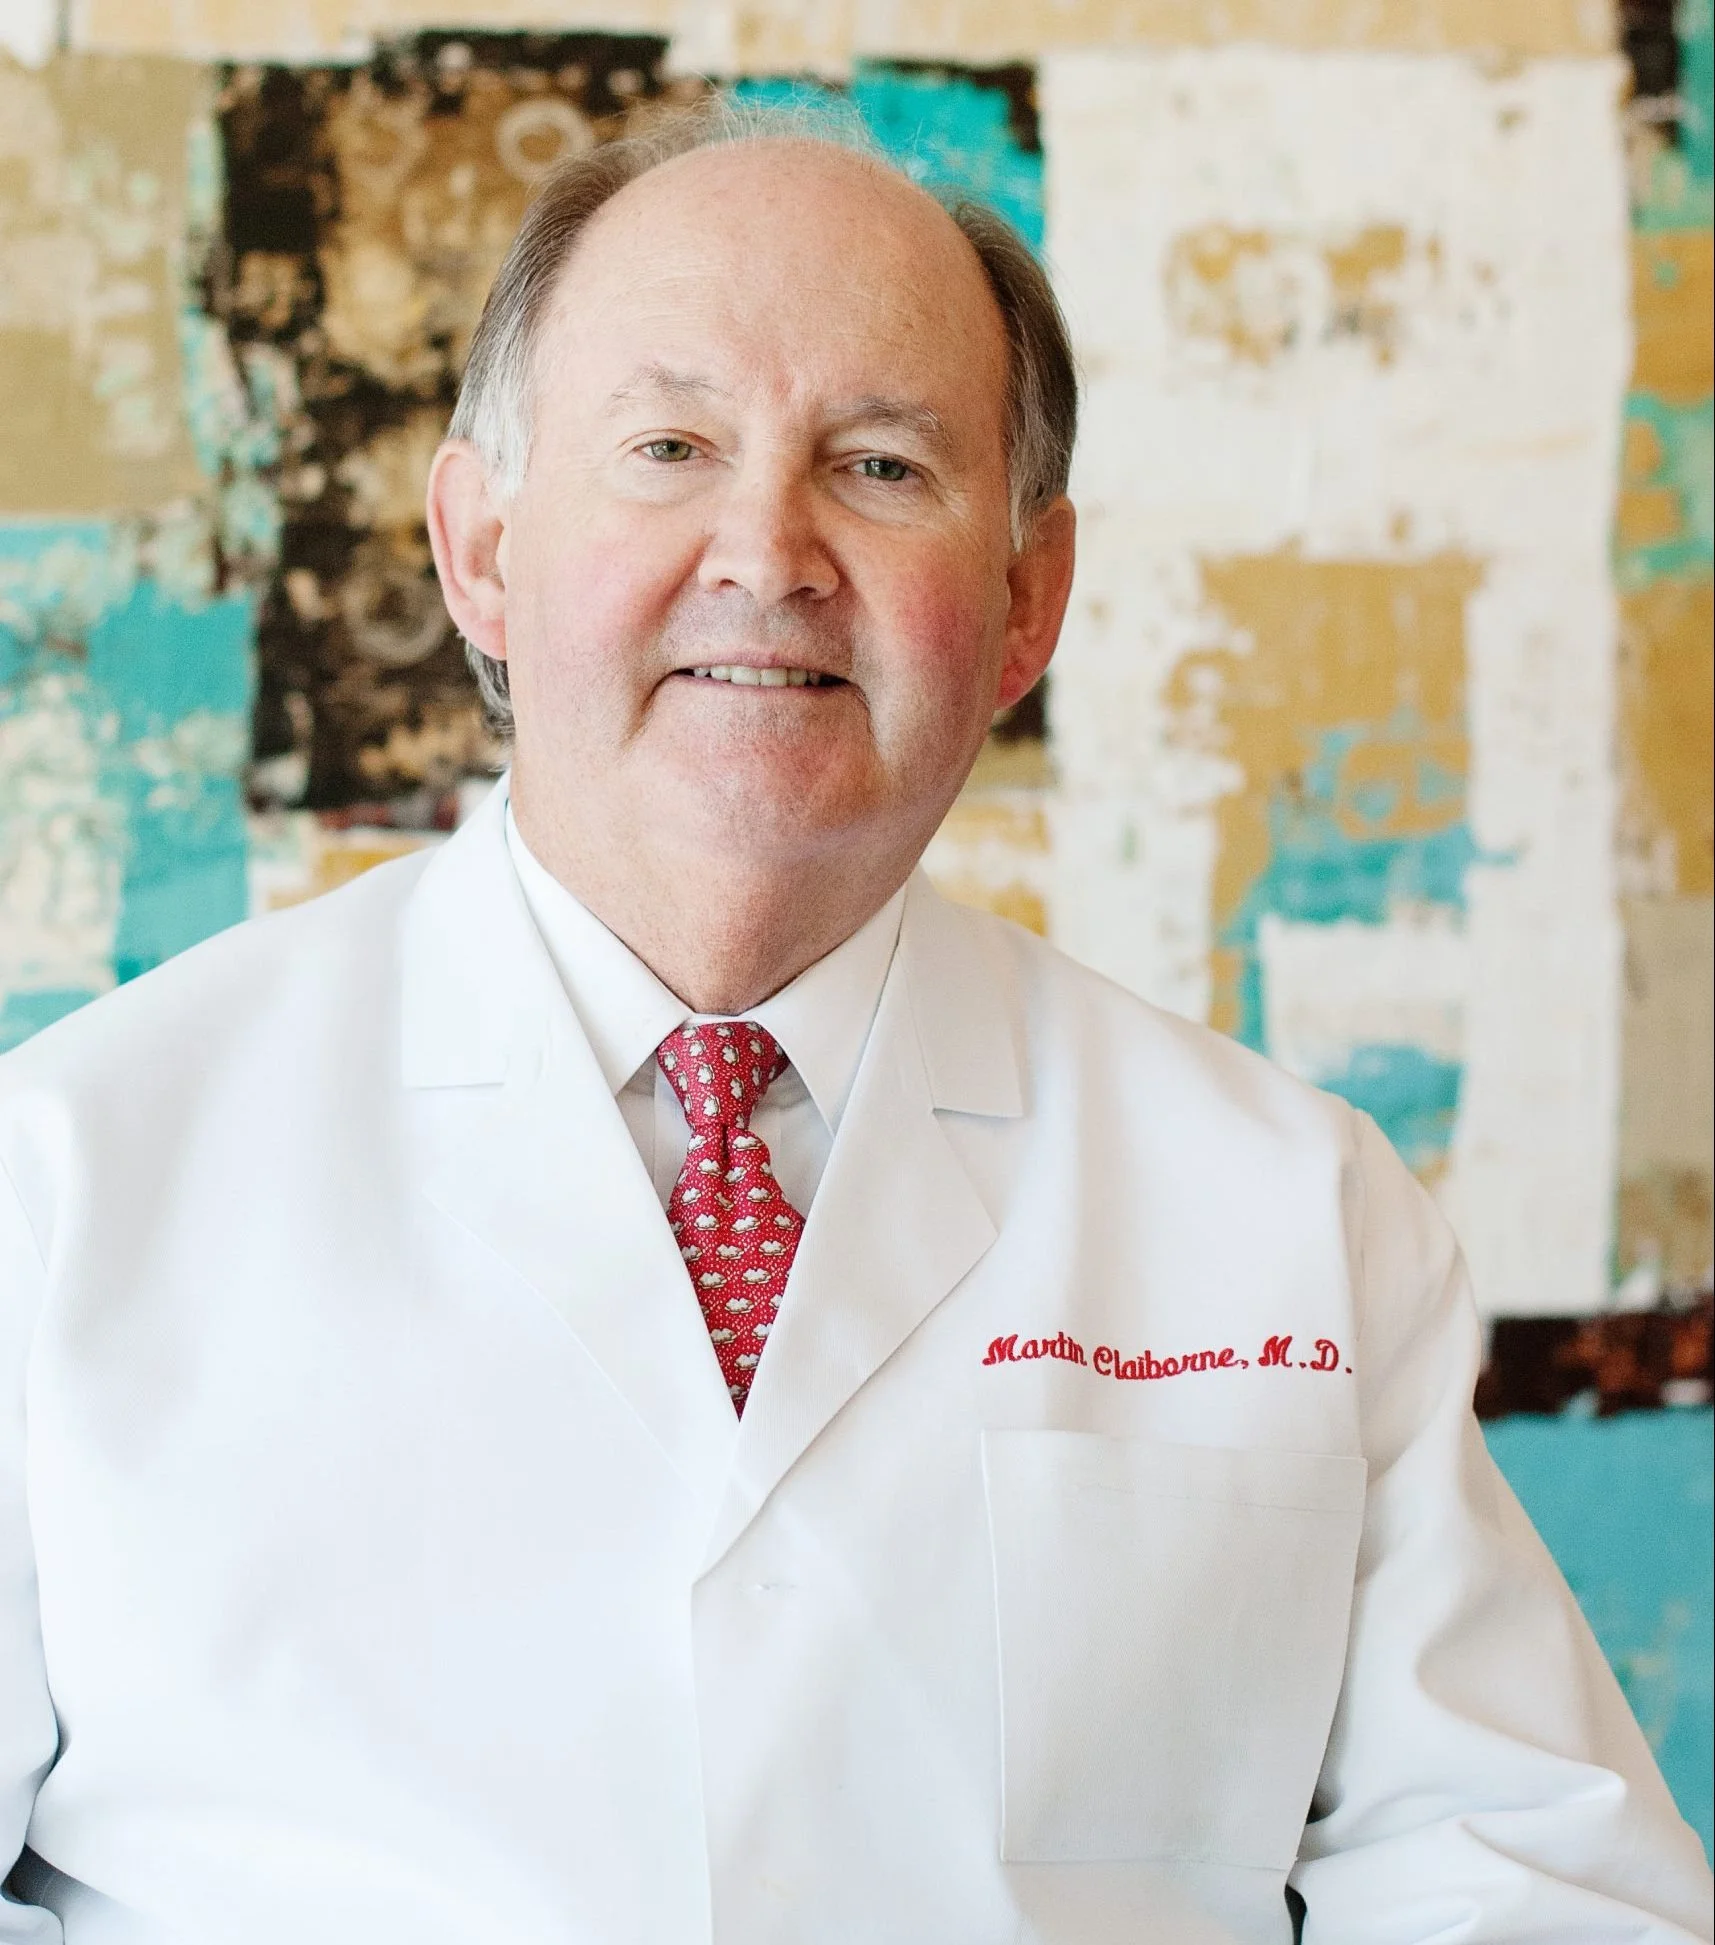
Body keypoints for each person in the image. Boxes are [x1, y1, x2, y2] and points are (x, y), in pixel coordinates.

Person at [0, 105, 1708, 1945]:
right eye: (669, 447)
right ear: (481, 548)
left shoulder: (1292, 1209)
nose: (769, 548)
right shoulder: (69, 1175)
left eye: (883, 468)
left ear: (1026, 598)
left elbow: (1529, 1882)